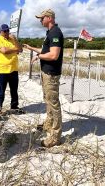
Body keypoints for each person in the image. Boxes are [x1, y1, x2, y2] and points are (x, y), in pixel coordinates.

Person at [23, 8, 64, 148]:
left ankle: (55, 137)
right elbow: (45, 51)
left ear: (50, 18)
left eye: (42, 18)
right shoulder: (49, 33)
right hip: (46, 72)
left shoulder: (55, 33)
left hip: (51, 74)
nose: (40, 21)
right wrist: (31, 48)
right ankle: (49, 124)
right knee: (47, 99)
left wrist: (39, 57)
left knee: (53, 103)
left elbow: (53, 55)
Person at [0, 24, 24, 118]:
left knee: (14, 90)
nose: (6, 33)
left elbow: (21, 50)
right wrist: (16, 49)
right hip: (2, 70)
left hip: (14, 69)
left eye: (7, 31)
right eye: (4, 31)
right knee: (0, 92)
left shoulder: (12, 40)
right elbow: (4, 51)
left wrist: (15, 40)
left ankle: (14, 107)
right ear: (0, 32)